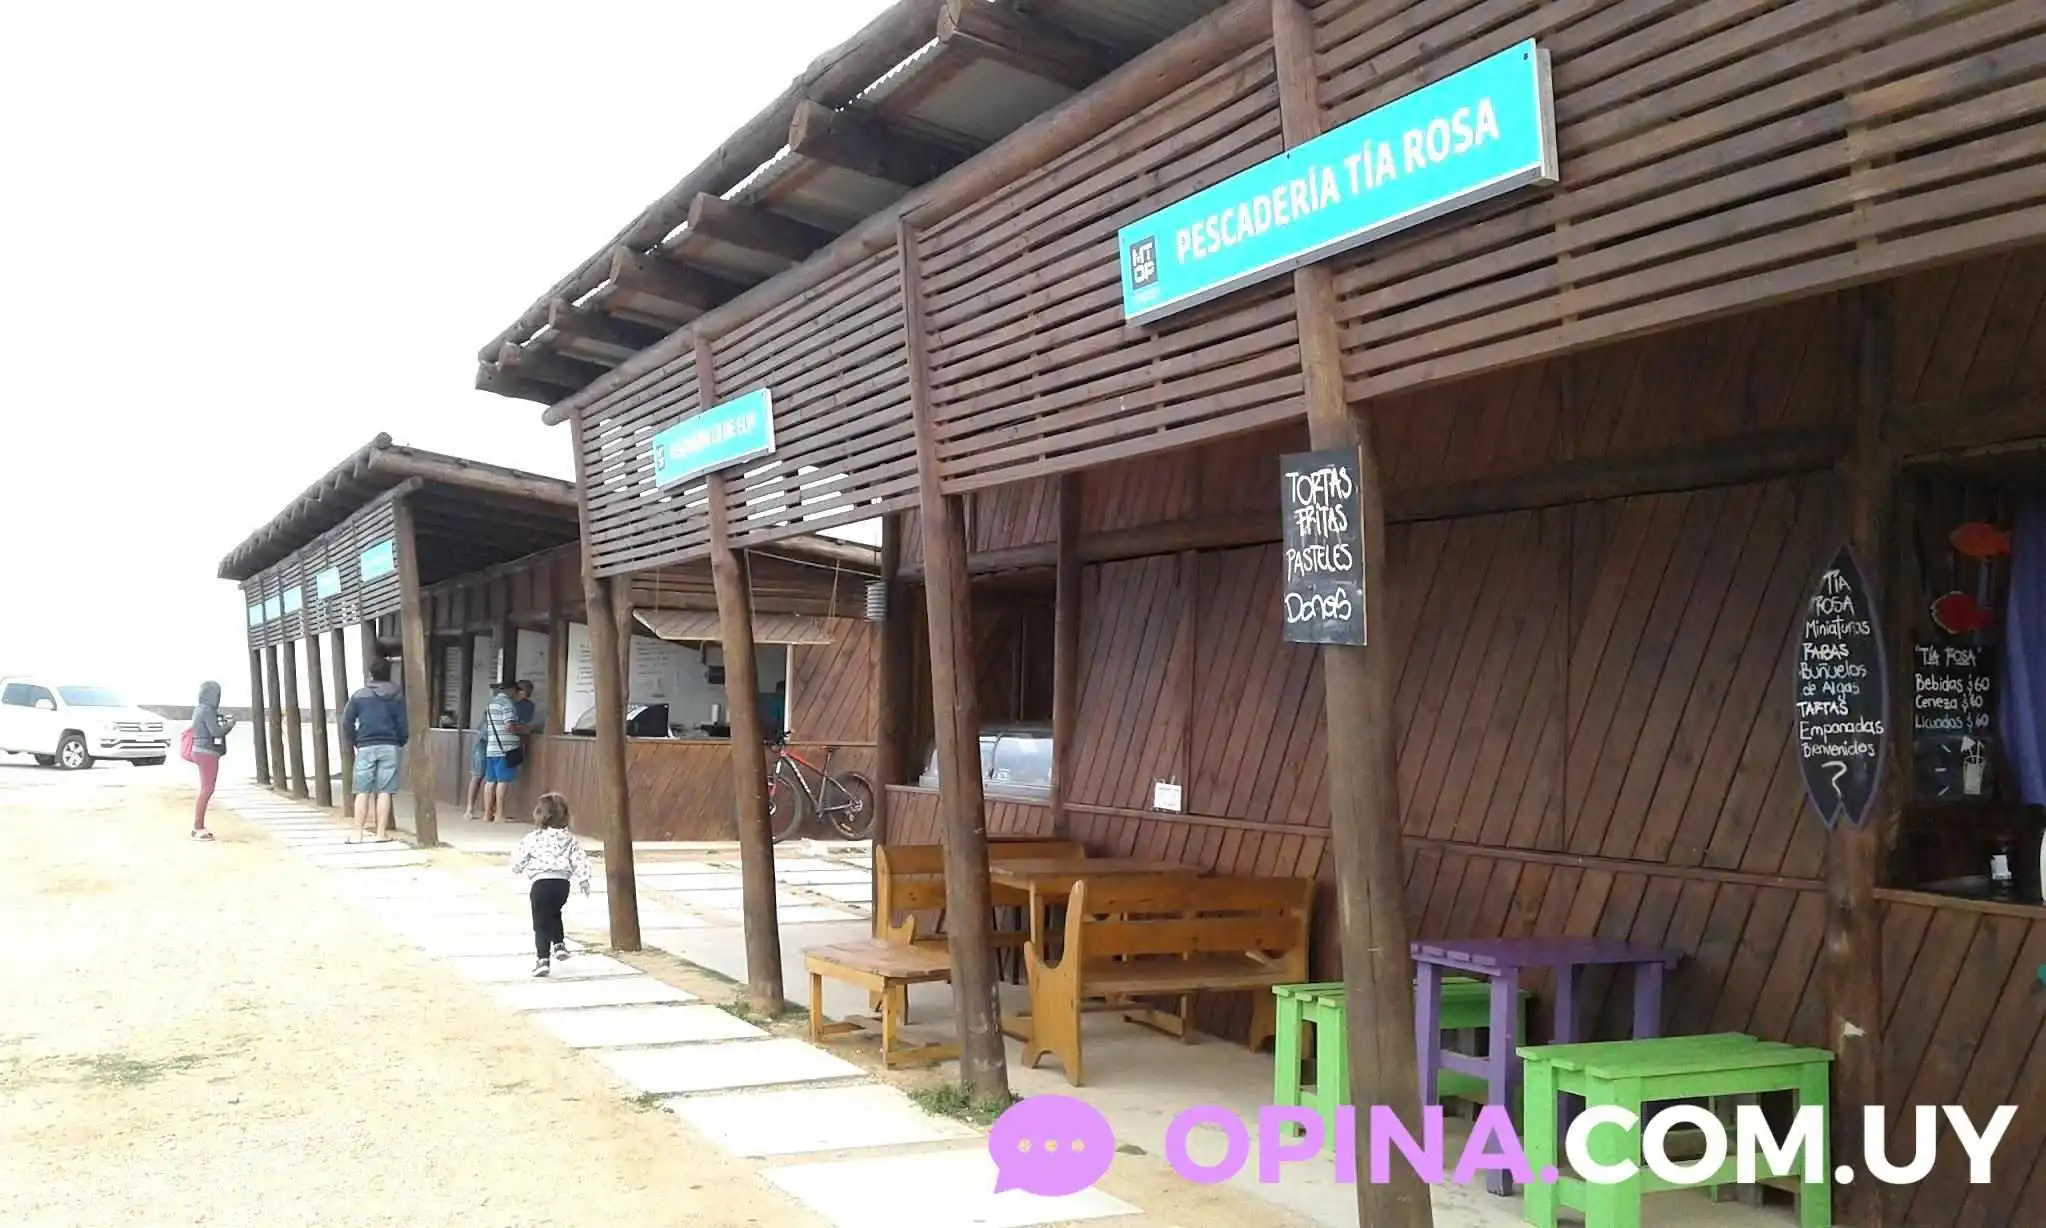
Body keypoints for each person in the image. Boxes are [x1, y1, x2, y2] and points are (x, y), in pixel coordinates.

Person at [509, 792, 589, 977]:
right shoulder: (570, 839)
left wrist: (517, 868)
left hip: (541, 884)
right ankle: (559, 944)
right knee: (554, 913)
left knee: (541, 923)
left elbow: (519, 858)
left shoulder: (533, 838)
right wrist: (583, 879)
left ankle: (542, 959)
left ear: (540, 814)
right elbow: (580, 860)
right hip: (562, 885)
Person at [341, 658, 408, 843]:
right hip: (390, 745)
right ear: (389, 674)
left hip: (365, 746)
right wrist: (400, 741)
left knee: (362, 790)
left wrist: (356, 740)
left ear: (370, 674)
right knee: (385, 791)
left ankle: (358, 834)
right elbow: (403, 724)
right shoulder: (397, 695)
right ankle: (380, 833)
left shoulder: (359, 695)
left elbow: (347, 722)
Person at [189, 681, 236, 841]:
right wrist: (229, 725)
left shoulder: (199, 709)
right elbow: (216, 732)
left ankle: (197, 826)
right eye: (217, 695)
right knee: (207, 789)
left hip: (199, 750)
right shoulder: (208, 711)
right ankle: (198, 827)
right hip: (207, 752)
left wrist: (220, 718)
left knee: (205, 788)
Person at [479, 680, 519, 823]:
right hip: (505, 748)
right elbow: (509, 726)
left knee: (490, 781)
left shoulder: (491, 703)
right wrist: (521, 728)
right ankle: (499, 815)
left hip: (492, 747)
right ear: (511, 690)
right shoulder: (507, 704)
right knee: (502, 781)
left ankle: (487, 814)